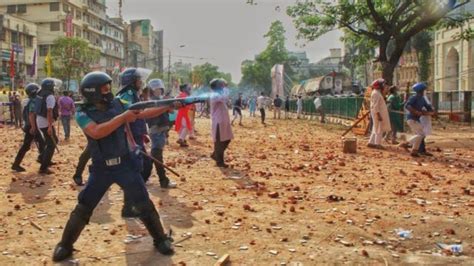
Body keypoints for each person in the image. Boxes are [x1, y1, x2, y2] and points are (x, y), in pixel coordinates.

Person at [52, 71, 174, 262]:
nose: (109, 91)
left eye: (109, 87)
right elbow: (97, 132)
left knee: (143, 204)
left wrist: (167, 106)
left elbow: (142, 112)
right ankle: (65, 245)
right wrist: (124, 117)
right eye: (104, 88)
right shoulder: (83, 113)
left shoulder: (119, 104)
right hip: (102, 169)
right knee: (84, 207)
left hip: (125, 165)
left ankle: (160, 240)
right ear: (93, 92)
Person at [116, 68, 153, 184]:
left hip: (137, 133)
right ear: (132, 81)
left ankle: (138, 184)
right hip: (131, 134)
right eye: (138, 80)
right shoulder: (128, 94)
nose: (141, 82)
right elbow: (129, 114)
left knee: (143, 162)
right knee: (142, 163)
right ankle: (136, 185)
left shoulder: (134, 94)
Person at [146, 79, 177, 188]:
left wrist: (170, 103)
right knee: (157, 155)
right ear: (151, 91)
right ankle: (163, 180)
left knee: (154, 155)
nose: (158, 91)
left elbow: (172, 111)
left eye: (159, 89)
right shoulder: (151, 102)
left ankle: (144, 177)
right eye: (155, 90)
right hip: (156, 130)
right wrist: (166, 104)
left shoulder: (161, 100)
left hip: (161, 129)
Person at [11, 83, 45, 172]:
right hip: (31, 127)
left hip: (29, 126)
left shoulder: (29, 101)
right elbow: (31, 115)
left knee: (35, 144)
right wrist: (33, 127)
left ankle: (43, 161)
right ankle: (43, 163)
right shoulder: (33, 101)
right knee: (38, 144)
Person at [401, 83, 435, 157]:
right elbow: (407, 105)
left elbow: (428, 108)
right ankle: (407, 143)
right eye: (423, 90)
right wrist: (415, 111)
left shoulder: (422, 99)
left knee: (420, 135)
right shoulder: (414, 97)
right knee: (421, 134)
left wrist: (431, 112)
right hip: (411, 119)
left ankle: (414, 151)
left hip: (416, 119)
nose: (424, 91)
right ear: (421, 90)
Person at [35, 78, 60, 174]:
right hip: (45, 122)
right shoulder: (50, 96)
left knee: (52, 141)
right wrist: (50, 126)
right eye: (53, 86)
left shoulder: (40, 93)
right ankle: (43, 167)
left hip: (40, 121)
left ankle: (42, 158)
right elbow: (49, 112)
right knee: (52, 143)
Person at [210, 78, 233, 168]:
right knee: (220, 141)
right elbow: (224, 97)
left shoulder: (219, 94)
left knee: (227, 139)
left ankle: (216, 154)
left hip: (224, 121)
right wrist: (226, 87)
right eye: (221, 84)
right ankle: (219, 161)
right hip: (218, 121)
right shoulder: (214, 95)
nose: (222, 86)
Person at [367, 79, 391, 149]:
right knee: (379, 129)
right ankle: (378, 144)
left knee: (376, 127)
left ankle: (371, 142)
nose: (384, 86)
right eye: (383, 85)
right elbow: (375, 105)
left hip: (377, 113)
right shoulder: (376, 94)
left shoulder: (377, 93)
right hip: (378, 113)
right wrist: (378, 115)